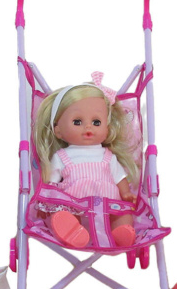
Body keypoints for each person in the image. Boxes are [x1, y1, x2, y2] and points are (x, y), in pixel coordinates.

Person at [33, 72, 139, 248]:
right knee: (63, 213)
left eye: (96, 122)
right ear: (58, 131)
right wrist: (49, 198)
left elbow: (119, 177)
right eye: (77, 122)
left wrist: (126, 193)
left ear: (107, 128)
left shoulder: (108, 156)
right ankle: (72, 233)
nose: (88, 126)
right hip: (73, 202)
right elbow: (51, 182)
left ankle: (120, 233)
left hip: (108, 202)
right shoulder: (62, 156)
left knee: (124, 214)